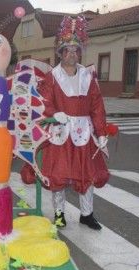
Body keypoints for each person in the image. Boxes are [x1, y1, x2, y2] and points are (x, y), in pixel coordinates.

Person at [40, 16, 109, 230]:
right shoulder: (51, 77)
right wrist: (54, 114)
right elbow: (43, 103)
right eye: (67, 50)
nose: (72, 54)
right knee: (59, 175)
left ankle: (86, 214)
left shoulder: (88, 76)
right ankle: (59, 214)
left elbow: (97, 106)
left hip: (84, 133)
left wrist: (101, 131)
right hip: (61, 133)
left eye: (75, 50)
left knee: (87, 174)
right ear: (59, 53)